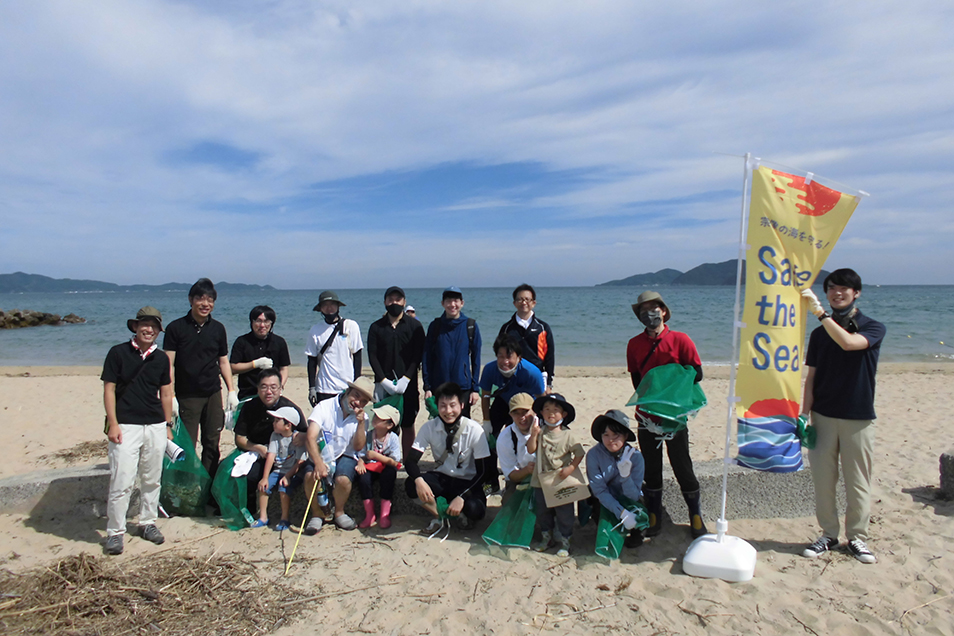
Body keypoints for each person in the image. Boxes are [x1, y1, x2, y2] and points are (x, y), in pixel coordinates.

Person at [800, 269, 886, 564]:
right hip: (823, 416)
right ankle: (829, 533)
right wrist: (803, 414)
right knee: (823, 479)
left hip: (857, 417)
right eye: (832, 288)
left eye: (844, 288)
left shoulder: (873, 327)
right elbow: (810, 378)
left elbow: (850, 343)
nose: (838, 293)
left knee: (857, 481)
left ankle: (857, 537)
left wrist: (821, 314)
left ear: (856, 292)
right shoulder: (817, 334)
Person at [626, 290, 707, 539]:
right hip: (646, 416)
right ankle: (654, 516)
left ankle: (695, 515)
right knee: (651, 467)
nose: (649, 313)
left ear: (663, 310)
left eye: (653, 308)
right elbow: (638, 382)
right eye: (643, 310)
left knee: (682, 465)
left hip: (675, 417)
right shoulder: (634, 344)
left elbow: (697, 374)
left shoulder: (681, 340)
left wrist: (670, 388)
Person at [101, 307, 174, 555]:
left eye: (154, 326)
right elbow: (109, 389)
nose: (149, 330)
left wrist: (167, 425)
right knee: (122, 479)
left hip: (154, 424)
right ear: (135, 326)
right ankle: (115, 532)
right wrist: (113, 423)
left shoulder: (162, 358)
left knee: (152, 478)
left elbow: (166, 393)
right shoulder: (118, 353)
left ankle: (147, 522)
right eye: (145, 324)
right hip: (125, 424)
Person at [163, 278, 237, 479]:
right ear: (190, 300)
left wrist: (231, 390)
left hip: (213, 392)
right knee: (187, 443)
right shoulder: (175, 328)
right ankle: (186, 485)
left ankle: (207, 486)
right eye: (201, 298)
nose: (206, 304)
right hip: (187, 395)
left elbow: (223, 361)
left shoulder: (218, 329)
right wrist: (170, 396)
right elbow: (168, 364)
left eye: (210, 299)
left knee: (212, 442)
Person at [404, 382, 491, 533]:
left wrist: (462, 496)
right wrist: (419, 480)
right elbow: (410, 461)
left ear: (462, 405)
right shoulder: (429, 427)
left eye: (453, 405)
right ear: (437, 406)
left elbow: (483, 472)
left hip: (468, 482)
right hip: (442, 478)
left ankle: (461, 512)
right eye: (443, 405)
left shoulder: (474, 430)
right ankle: (440, 515)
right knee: (411, 484)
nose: (448, 411)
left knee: (475, 510)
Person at [302, 376, 374, 532]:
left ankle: (339, 512)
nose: (357, 403)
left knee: (343, 480)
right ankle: (317, 514)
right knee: (310, 477)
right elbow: (310, 437)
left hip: (345, 453)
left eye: (363, 401)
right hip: (321, 451)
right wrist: (318, 463)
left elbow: (358, 446)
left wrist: (361, 423)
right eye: (356, 396)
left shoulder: (363, 417)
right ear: (348, 391)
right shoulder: (325, 406)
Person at [233, 369, 306, 516]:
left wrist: (300, 438)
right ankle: (250, 510)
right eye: (264, 387)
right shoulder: (249, 407)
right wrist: (257, 448)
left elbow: (307, 432)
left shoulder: (290, 409)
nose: (269, 391)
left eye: (273, 387)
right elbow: (239, 438)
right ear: (258, 389)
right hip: (261, 453)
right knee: (250, 475)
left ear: (281, 389)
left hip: (286, 457)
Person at [479, 333, 545, 491]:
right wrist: (486, 421)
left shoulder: (531, 372)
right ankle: (492, 481)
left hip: (524, 406)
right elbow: (486, 396)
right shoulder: (489, 369)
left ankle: (519, 475)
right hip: (502, 401)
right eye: (500, 356)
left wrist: (539, 420)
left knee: (520, 438)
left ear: (519, 357)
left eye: (509, 356)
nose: (505, 361)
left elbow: (542, 399)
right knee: (488, 440)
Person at [367, 285, 425, 461]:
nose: (394, 303)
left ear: (404, 302)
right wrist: (383, 380)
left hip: (407, 383)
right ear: (385, 302)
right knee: (382, 425)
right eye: (390, 299)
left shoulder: (415, 326)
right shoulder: (376, 327)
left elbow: (418, 355)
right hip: (383, 385)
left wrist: (406, 378)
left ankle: (408, 461)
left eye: (398, 300)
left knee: (408, 423)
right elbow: (372, 356)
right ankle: (384, 459)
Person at [527, 393, 584, 557]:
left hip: (560, 481)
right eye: (547, 409)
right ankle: (547, 538)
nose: (551, 413)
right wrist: (533, 434)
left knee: (564, 513)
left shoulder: (568, 435)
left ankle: (566, 542)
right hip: (540, 480)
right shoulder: (540, 432)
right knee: (543, 512)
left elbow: (579, 453)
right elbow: (530, 449)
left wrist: (571, 468)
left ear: (564, 414)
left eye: (555, 410)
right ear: (541, 413)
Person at [586, 409, 646, 548]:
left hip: (629, 497)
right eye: (606, 435)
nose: (610, 440)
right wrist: (622, 513)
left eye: (615, 435)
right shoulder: (593, 455)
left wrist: (625, 476)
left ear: (625, 436)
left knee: (643, 499)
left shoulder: (636, 457)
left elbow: (634, 495)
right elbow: (599, 490)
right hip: (606, 498)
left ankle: (637, 532)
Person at [422, 286, 481, 418]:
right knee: (439, 424)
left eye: (456, 301)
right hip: (439, 385)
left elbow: (476, 359)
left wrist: (475, 389)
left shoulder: (470, 325)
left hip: (463, 386)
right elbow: (427, 357)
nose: (452, 305)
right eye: (448, 301)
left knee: (463, 425)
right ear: (443, 304)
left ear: (462, 303)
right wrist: (427, 386)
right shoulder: (435, 326)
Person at [305, 290, 363, 407]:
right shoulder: (315, 330)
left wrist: (357, 385)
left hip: (346, 386)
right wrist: (312, 388)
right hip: (324, 388)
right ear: (320, 308)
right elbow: (311, 361)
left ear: (338, 306)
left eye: (332, 304)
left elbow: (357, 356)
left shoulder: (351, 326)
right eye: (325, 305)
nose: (329, 308)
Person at [253, 406, 307, 530]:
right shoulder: (274, 436)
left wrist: (287, 476)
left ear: (288, 425)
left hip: (291, 472)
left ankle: (284, 519)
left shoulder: (297, 439)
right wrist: (265, 477)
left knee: (284, 488)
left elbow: (299, 462)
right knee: (263, 487)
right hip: (277, 470)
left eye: (277, 421)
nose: (274, 423)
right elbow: (271, 457)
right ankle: (263, 517)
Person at [498, 284, 555, 393]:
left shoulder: (542, 327)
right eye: (520, 299)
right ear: (514, 303)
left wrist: (548, 383)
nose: (524, 303)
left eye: (527, 299)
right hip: (512, 376)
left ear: (534, 303)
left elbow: (549, 356)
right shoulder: (507, 328)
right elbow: (500, 354)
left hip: (537, 376)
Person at [355, 404, 403, 529]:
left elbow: (395, 461)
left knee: (389, 475)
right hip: (371, 466)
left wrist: (377, 456)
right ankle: (370, 514)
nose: (375, 418)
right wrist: (361, 462)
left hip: (385, 466)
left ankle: (384, 514)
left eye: (379, 418)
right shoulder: (369, 435)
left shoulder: (393, 438)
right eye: (375, 416)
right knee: (363, 478)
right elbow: (361, 455)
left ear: (389, 425)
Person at [229, 305, 291, 400]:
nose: (262, 325)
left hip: (272, 394)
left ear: (272, 323)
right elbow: (233, 368)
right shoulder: (242, 341)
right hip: (248, 393)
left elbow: (284, 368)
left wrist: (280, 387)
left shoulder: (279, 342)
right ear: (252, 322)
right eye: (258, 321)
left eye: (266, 321)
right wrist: (255, 364)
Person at [495, 393, 537, 503]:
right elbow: (512, 475)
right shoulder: (505, 438)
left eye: (525, 412)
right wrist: (528, 470)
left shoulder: (545, 428)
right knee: (510, 505)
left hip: (544, 478)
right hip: (520, 480)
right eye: (516, 413)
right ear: (510, 415)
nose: (522, 417)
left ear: (534, 411)